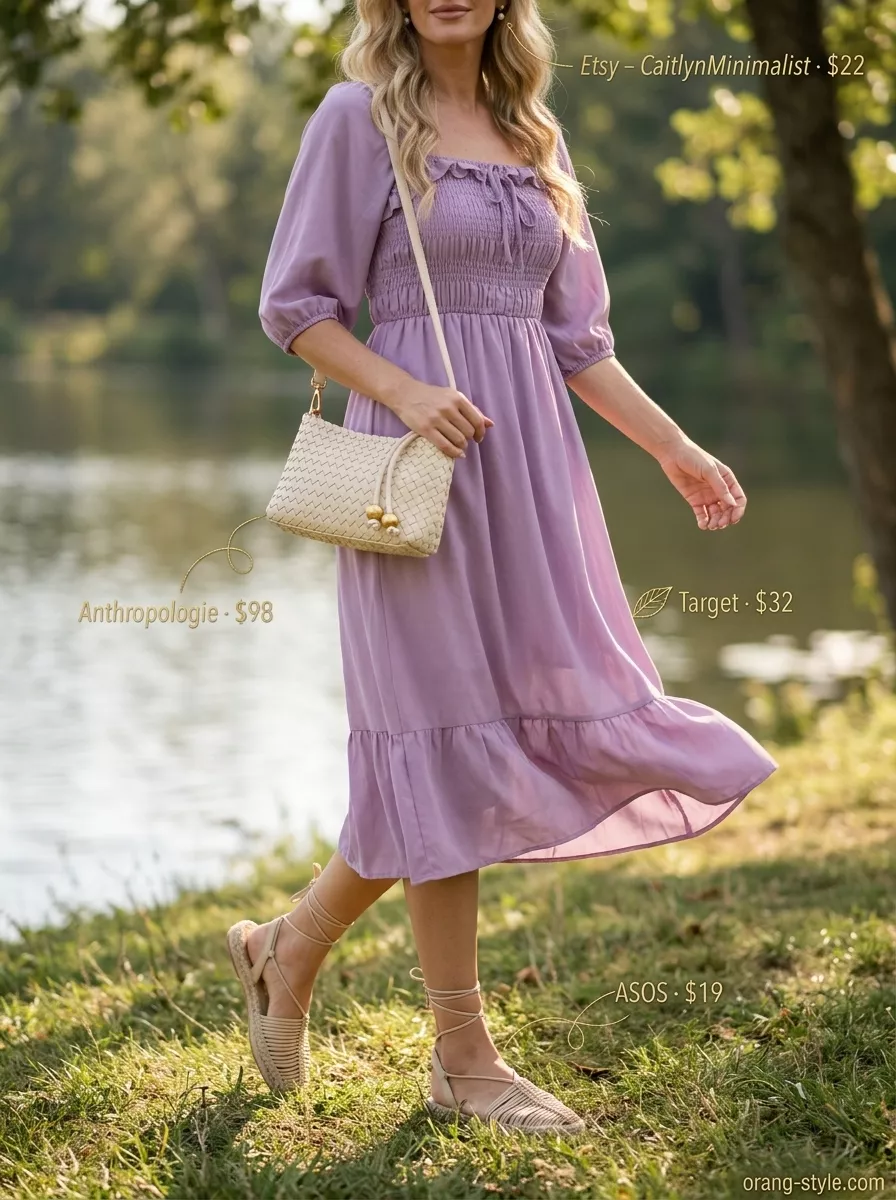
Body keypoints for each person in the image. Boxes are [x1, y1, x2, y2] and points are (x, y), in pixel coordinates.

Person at [226, 0, 779, 1133]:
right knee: (441, 741)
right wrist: (405, 391)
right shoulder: (355, 118)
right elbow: (297, 308)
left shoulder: (535, 136)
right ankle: (461, 1060)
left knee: (515, 720)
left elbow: (577, 341)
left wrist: (674, 449)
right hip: (415, 472)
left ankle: (286, 951)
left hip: (528, 472)